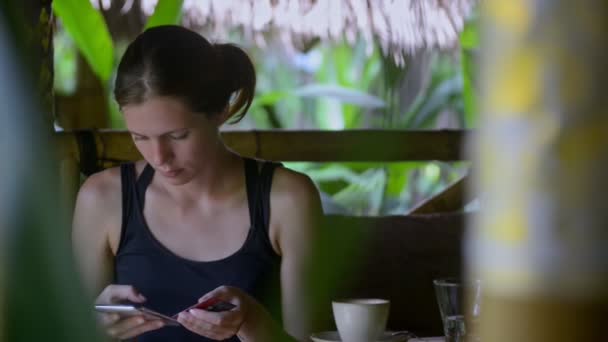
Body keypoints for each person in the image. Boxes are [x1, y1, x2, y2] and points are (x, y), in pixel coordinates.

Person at [72, 25, 322, 342]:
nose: (159, 157)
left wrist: (251, 321)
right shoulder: (102, 199)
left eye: (177, 136)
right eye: (140, 138)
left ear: (221, 110)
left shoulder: (287, 199)